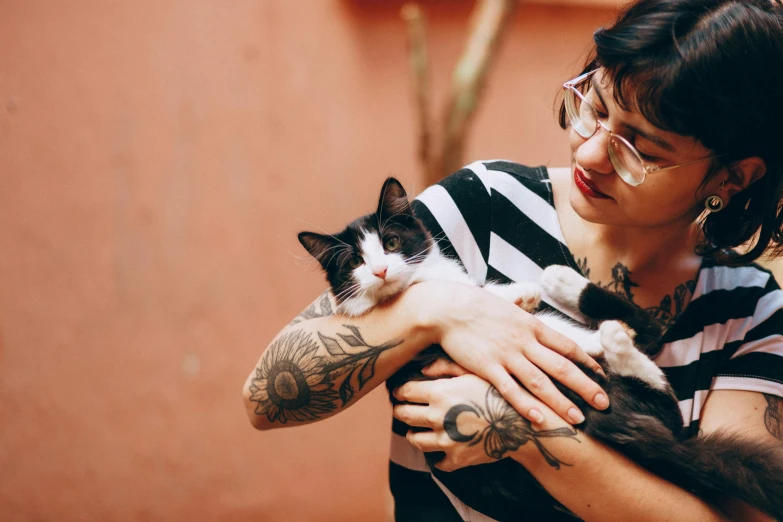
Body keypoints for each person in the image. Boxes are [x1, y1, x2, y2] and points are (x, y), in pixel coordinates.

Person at [243, 0, 783, 519]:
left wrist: (532, 435)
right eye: (593, 108)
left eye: (639, 149)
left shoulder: (751, 312)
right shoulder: (485, 203)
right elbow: (267, 400)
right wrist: (442, 310)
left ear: (731, 177)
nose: (590, 151)